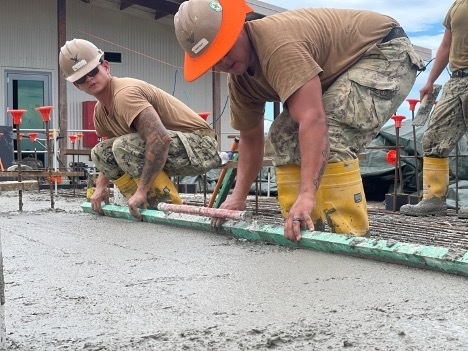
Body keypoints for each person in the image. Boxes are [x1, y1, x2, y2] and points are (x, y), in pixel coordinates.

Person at [174, 0, 425, 241]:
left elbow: (313, 120)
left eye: (224, 49)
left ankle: (347, 235)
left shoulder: (278, 46)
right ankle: (302, 225)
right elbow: (250, 140)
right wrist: (237, 196)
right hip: (344, 69)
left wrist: (307, 193)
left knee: (332, 131)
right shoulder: (240, 83)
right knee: (281, 136)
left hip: (385, 51)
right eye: (213, 60)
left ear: (239, 27)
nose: (223, 62)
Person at [59, 38, 222, 219]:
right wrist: (101, 186)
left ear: (105, 66)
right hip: (179, 148)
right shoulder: (100, 111)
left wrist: (142, 190)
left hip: (202, 146)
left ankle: (167, 207)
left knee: (123, 146)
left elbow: (160, 140)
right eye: (82, 77)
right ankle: (139, 203)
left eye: (93, 71)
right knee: (99, 151)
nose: (89, 79)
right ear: (76, 84)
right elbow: (107, 152)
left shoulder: (125, 94)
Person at [400, 0, 468, 218]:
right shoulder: (457, 5)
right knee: (434, 138)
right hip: (456, 80)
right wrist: (429, 81)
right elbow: (446, 45)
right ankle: (434, 200)